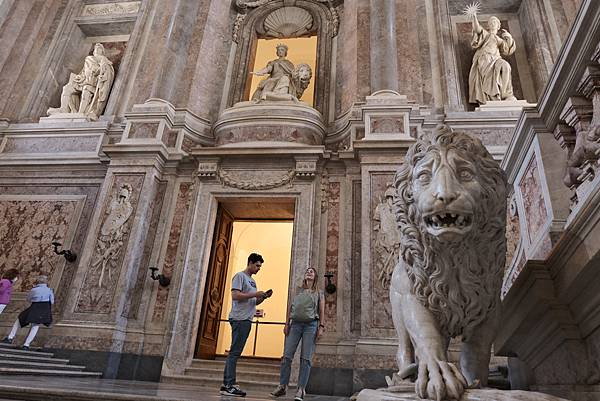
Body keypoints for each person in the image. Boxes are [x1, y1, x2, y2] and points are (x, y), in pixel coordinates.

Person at [220, 253, 272, 397]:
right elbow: (235, 295)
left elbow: (253, 302)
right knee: (234, 353)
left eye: (260, 266)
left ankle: (226, 385)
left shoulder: (252, 282)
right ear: (250, 262)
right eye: (257, 265)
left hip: (247, 319)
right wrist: (255, 294)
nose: (258, 268)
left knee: (234, 353)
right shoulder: (239, 276)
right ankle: (229, 384)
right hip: (239, 318)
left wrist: (262, 297)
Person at [270, 267, 325, 401]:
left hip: (310, 326)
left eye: (312, 271)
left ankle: (301, 389)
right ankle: (282, 386)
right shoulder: (297, 290)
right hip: (295, 325)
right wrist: (286, 323)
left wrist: (321, 326)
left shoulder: (319, 292)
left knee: (305, 359)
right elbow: (290, 306)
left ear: (315, 276)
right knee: (287, 356)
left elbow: (322, 310)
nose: (309, 272)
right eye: (307, 271)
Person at [47, 43, 115, 120]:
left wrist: (101, 73)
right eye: (96, 48)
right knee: (67, 88)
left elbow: (106, 71)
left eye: (99, 48)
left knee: (86, 89)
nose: (97, 49)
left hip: (92, 84)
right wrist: (79, 77)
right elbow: (84, 72)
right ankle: (63, 108)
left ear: (102, 51)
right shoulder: (89, 58)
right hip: (83, 81)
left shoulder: (103, 59)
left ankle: (81, 113)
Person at [468, 13, 517, 105]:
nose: (493, 23)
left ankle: (505, 94)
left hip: (496, 59)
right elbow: (477, 29)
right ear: (488, 25)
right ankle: (491, 99)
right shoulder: (485, 34)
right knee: (488, 79)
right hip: (485, 60)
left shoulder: (499, 39)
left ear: (498, 26)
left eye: (495, 22)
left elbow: (507, 50)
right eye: (491, 22)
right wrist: (474, 17)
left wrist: (509, 38)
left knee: (506, 66)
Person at [1, 275, 54, 350]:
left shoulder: (34, 290)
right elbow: (52, 302)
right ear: (46, 282)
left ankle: (10, 337)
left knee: (19, 319)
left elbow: (28, 299)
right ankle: (26, 345)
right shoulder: (50, 290)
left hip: (35, 306)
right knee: (35, 326)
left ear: (38, 281)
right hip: (44, 309)